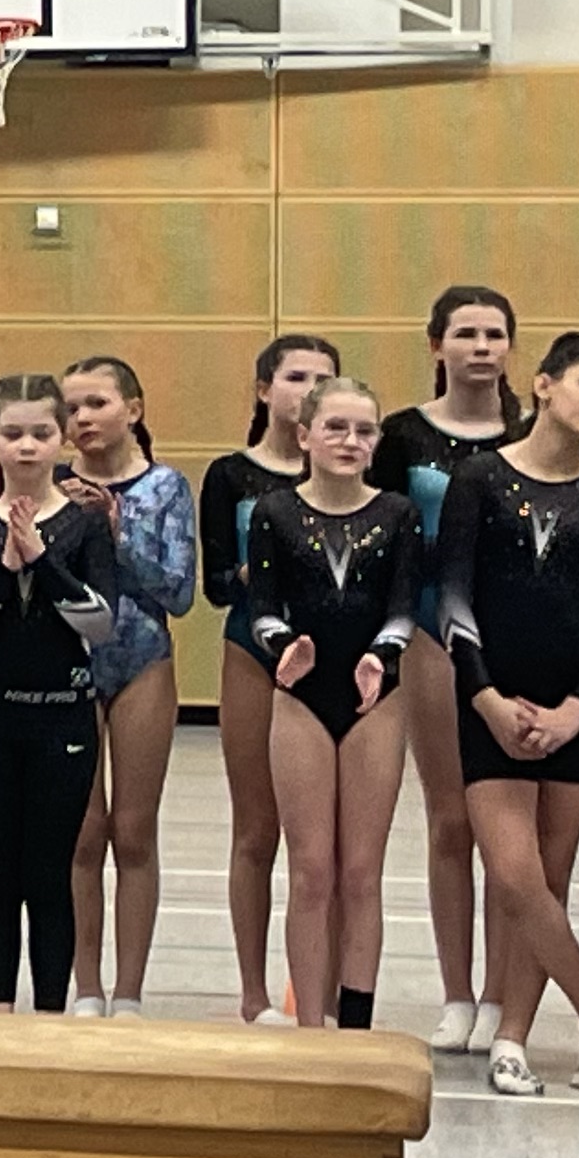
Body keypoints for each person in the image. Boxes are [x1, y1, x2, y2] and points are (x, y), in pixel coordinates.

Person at [442, 331, 579, 1098]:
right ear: (545, 384)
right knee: (515, 876)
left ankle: (513, 1039)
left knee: (548, 881)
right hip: (491, 695)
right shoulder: (479, 477)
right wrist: (485, 698)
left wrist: (578, 710)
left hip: (576, 702)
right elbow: (453, 597)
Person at [0, 375, 121, 1015]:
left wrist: (42, 561)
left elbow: (101, 623)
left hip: (62, 718)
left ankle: (48, 1014)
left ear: (61, 438)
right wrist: (2, 571)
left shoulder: (85, 526)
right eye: (12, 434)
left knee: (49, 872)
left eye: (41, 433)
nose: (28, 446)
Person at [238, 376, 420, 1032]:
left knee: (362, 873)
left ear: (377, 442)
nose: (350, 440)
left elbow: (403, 605)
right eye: (336, 427)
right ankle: (310, 1028)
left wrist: (383, 654)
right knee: (312, 871)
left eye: (364, 430)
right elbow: (261, 606)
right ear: (304, 435)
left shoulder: (397, 513)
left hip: (376, 697)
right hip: (302, 695)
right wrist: (284, 645)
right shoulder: (275, 512)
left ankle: (356, 1027)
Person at [377, 284, 525, 1054]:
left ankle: (500, 993)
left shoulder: (530, 433)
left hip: (518, 640)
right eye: (465, 333)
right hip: (435, 635)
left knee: (507, 829)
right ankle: (458, 993)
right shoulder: (402, 436)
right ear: (436, 344)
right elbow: (384, 535)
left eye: (494, 334)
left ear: (511, 347)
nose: (481, 347)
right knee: (450, 818)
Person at [204, 336, 339, 1022]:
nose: (308, 389)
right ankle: (254, 992)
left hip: (335, 653)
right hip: (254, 650)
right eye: (295, 376)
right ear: (264, 390)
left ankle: (325, 990)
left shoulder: (352, 473)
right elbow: (216, 583)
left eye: (324, 378)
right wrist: (263, 569)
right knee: (257, 830)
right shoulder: (232, 476)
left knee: (330, 846)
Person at [63, 355, 194, 1015]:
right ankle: (85, 986)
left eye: (97, 403)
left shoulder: (165, 487)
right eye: (72, 408)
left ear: (133, 410)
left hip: (142, 660)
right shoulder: (54, 485)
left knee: (134, 831)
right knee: (83, 833)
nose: (83, 418)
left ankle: (130, 991)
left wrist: (118, 535)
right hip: (69, 664)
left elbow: (180, 592)